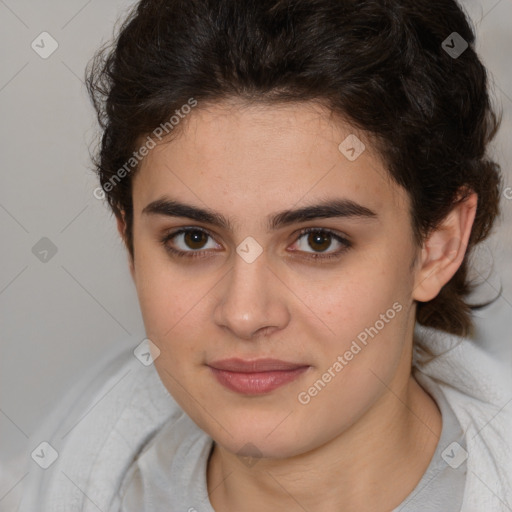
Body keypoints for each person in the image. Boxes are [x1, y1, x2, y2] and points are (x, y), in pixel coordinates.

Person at [16, 0, 512, 511]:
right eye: (192, 239)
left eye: (319, 240)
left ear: (438, 245)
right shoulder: (64, 474)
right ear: (130, 244)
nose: (245, 314)